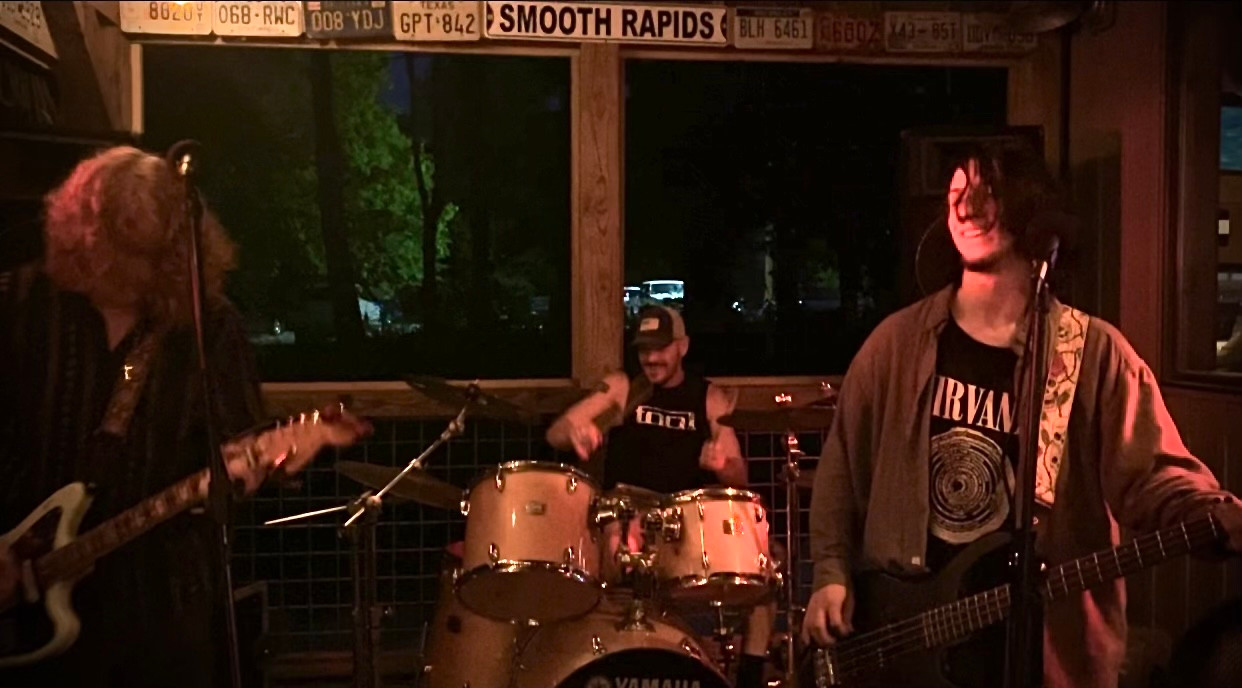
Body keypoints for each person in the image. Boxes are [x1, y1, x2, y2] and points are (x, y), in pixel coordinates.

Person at [800, 143, 1242, 688]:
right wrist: (831, 575)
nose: (965, 209)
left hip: (1042, 648)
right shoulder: (895, 344)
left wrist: (1210, 511)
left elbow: (1153, 474)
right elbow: (841, 474)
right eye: (956, 194)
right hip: (912, 641)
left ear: (1030, 206)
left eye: (986, 193)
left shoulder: (1091, 353)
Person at [0, 146, 366, 687]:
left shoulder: (208, 326)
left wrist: (255, 469)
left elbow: (235, 446)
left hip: (163, 601)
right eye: (115, 252)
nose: (129, 273)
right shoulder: (19, 304)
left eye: (146, 257)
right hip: (20, 602)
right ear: (80, 237)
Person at [546, 304, 770, 688]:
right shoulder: (623, 388)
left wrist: (722, 465)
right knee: (608, 545)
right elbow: (557, 432)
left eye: (661, 348)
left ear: (683, 346)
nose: (651, 358)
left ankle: (750, 676)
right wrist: (575, 433)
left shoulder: (709, 398)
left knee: (764, 565)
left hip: (684, 527)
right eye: (644, 349)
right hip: (624, 515)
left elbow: (739, 476)